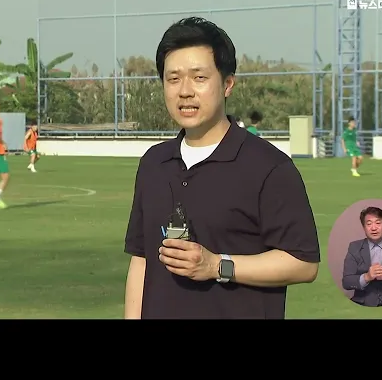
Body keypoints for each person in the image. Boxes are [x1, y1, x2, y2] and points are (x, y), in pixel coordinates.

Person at [123, 17, 320, 319]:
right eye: (173, 79)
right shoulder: (153, 164)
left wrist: (217, 265)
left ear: (227, 84)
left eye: (199, 78)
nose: (185, 91)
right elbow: (142, 259)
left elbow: (304, 263)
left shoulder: (269, 167)